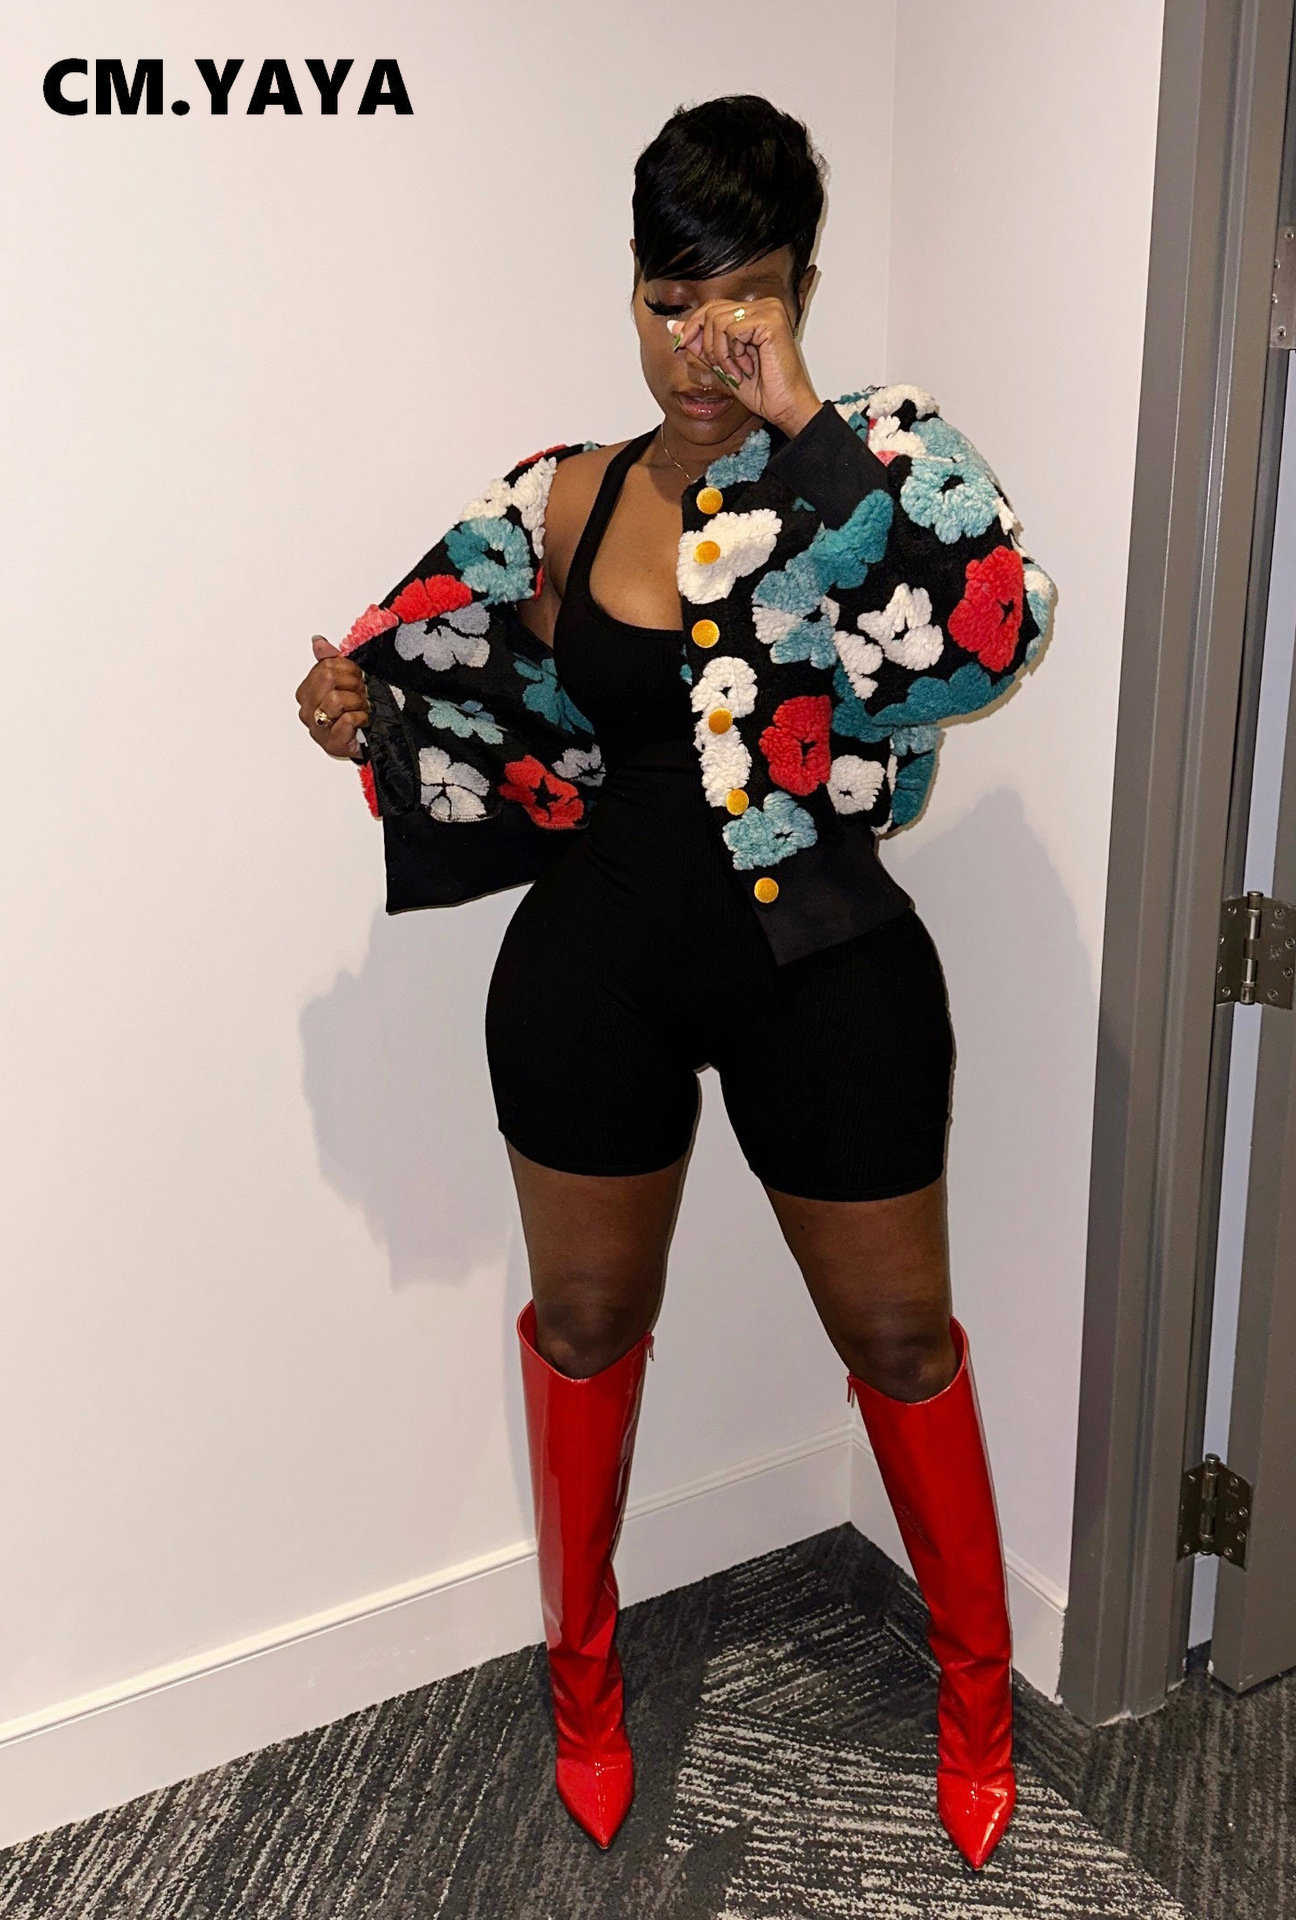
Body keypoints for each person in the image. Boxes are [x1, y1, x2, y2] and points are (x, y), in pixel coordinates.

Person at [295, 94, 1055, 1872]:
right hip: (598, 970)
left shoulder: (883, 454)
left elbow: (985, 635)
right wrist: (356, 708)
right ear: (630, 292)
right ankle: (583, 1689)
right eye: (668, 301)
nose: (701, 343)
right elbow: (432, 665)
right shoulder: (565, 497)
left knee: (899, 1338)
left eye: (745, 301)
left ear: (801, 293)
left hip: (830, 965)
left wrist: (807, 426)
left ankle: (976, 1699)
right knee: (583, 1325)